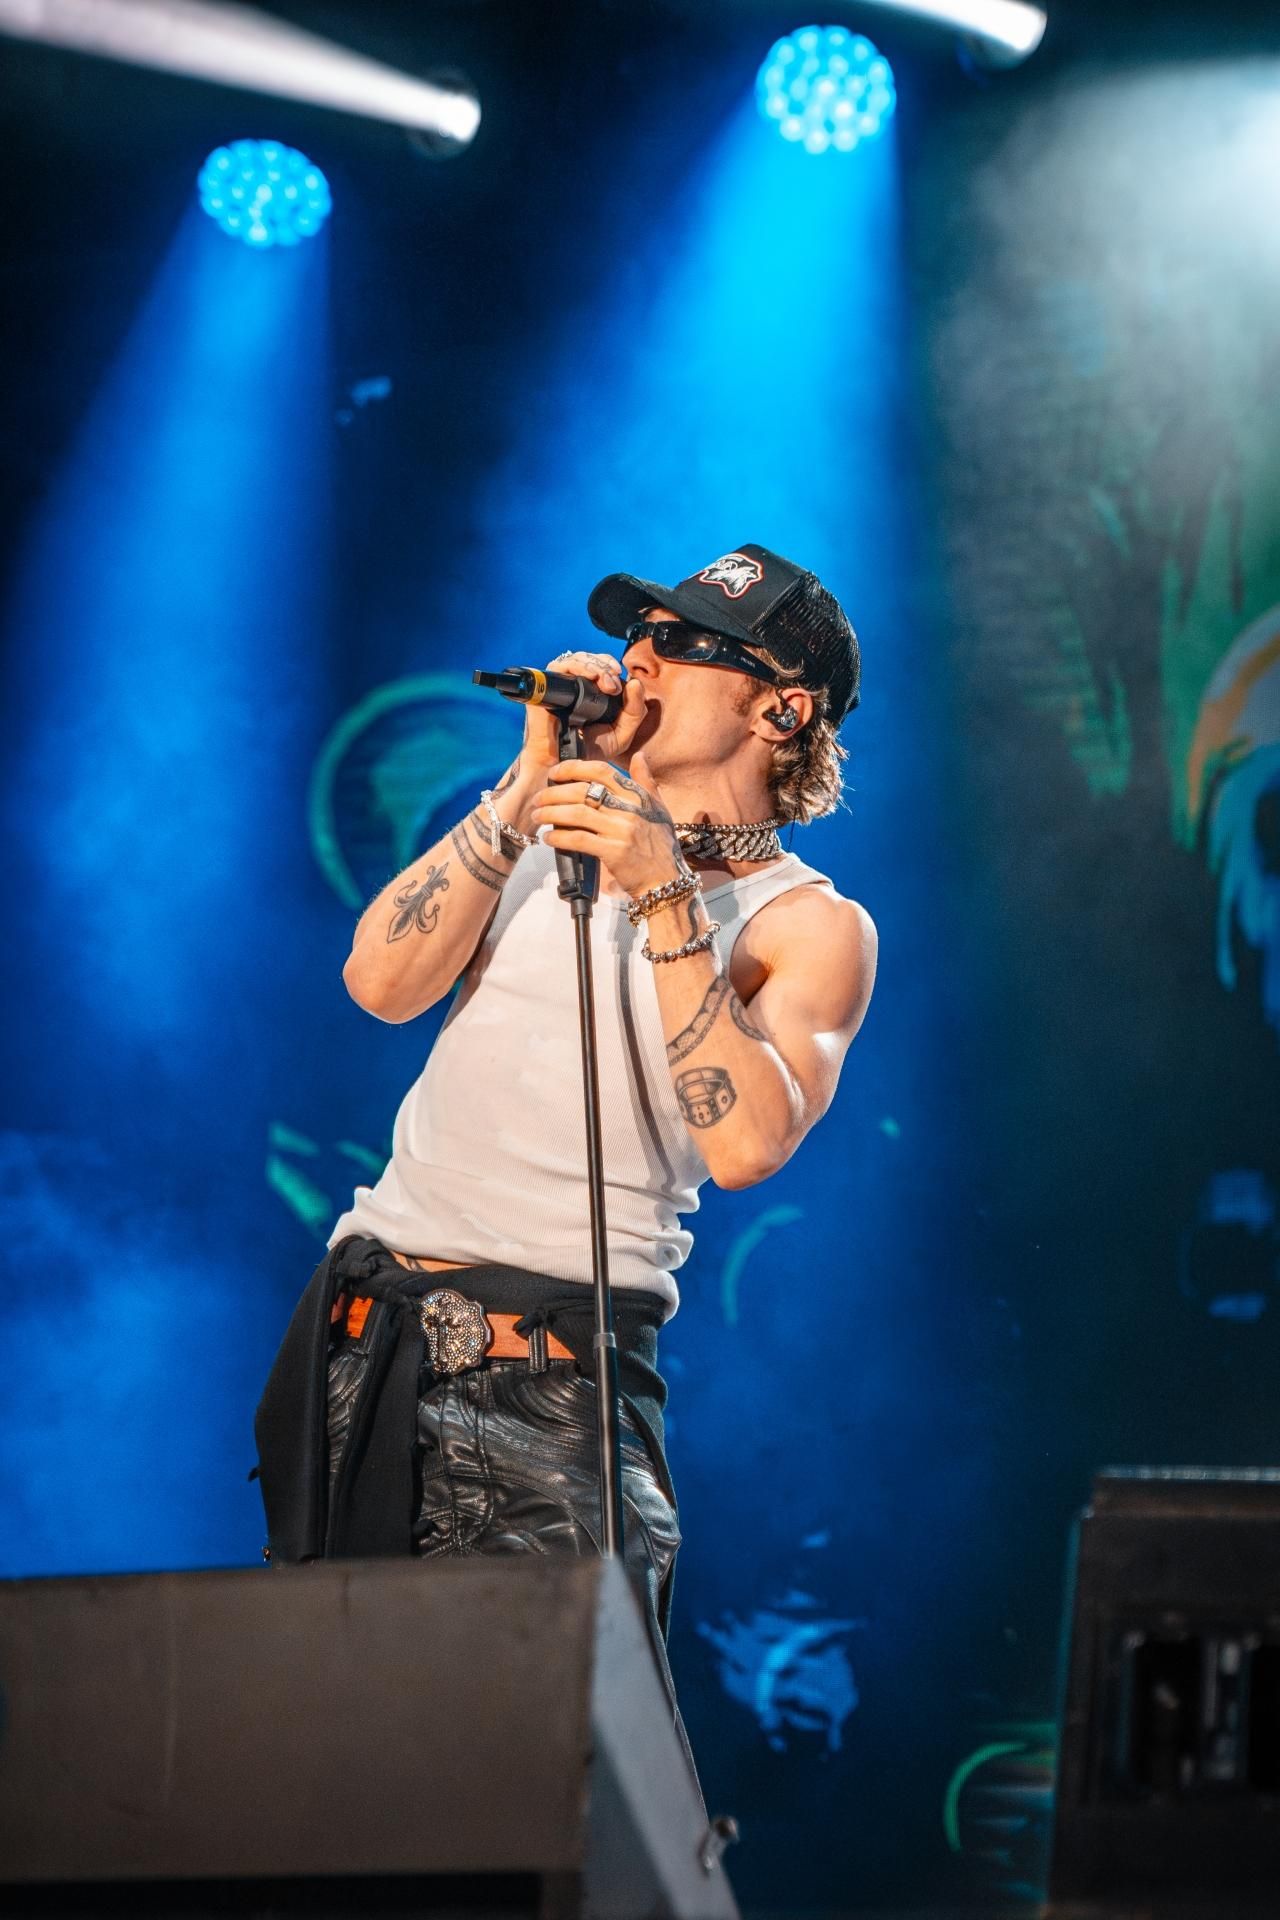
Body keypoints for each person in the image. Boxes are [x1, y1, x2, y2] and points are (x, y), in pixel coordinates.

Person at [253, 542, 877, 1749]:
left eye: (683, 643)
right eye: (639, 633)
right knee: (334, 1765)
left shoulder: (805, 923)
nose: (638, 657)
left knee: (540, 1774)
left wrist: (662, 888)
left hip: (542, 1385)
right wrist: (521, 785)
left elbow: (748, 1143)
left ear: (781, 710)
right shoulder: (539, 835)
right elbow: (376, 982)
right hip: (363, 1346)